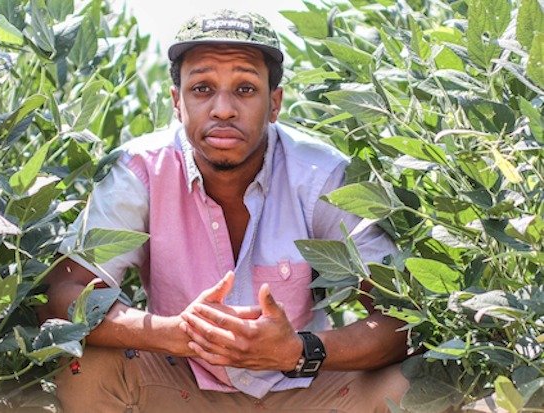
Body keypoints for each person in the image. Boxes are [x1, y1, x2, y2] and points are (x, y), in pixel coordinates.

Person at [38, 9, 409, 413]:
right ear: (177, 102)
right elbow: (61, 295)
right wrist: (174, 333)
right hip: (178, 383)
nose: (223, 109)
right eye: (202, 88)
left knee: (410, 385)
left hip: (305, 389)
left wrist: (298, 350)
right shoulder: (139, 170)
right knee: (84, 366)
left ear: (275, 104)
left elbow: (400, 319)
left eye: (245, 89)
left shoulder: (322, 176)